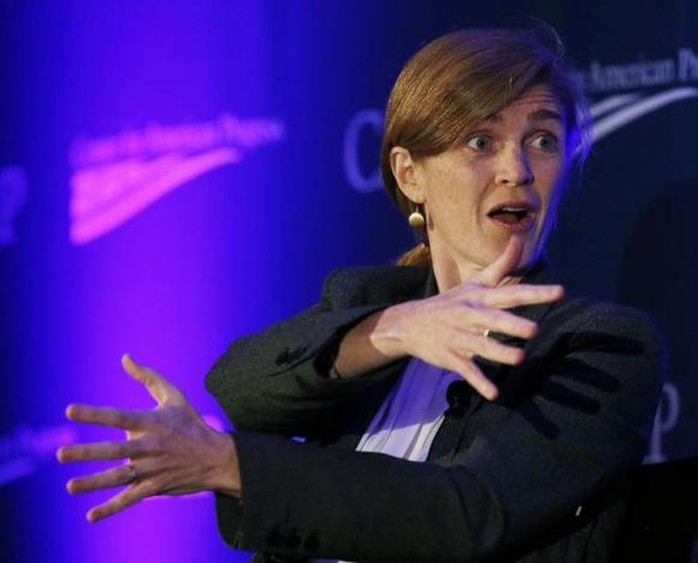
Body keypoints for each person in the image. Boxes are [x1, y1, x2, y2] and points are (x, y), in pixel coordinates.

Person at [57, 27, 664, 562]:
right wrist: (391, 331)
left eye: (543, 140)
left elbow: (464, 514)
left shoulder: (600, 345)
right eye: (480, 142)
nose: (518, 170)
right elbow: (239, 389)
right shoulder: (368, 300)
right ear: (410, 174)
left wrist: (229, 466)